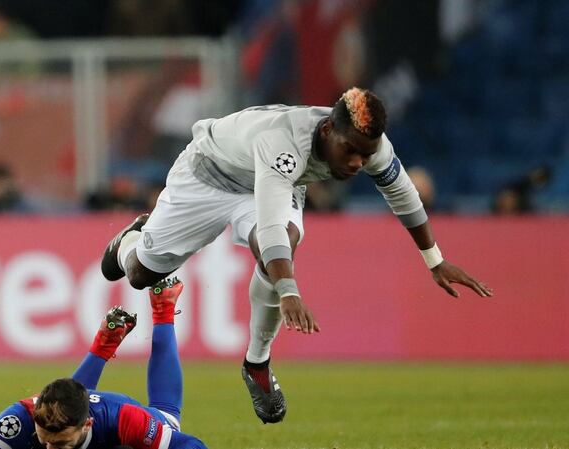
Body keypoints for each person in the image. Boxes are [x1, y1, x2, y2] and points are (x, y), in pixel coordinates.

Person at [99, 87, 494, 424]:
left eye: (365, 155)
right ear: (327, 130)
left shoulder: (369, 143)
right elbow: (269, 224)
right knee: (138, 274)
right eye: (350, 152)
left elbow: (403, 194)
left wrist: (435, 259)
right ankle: (131, 241)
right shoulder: (283, 144)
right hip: (206, 175)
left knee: (280, 246)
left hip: (266, 187)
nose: (358, 163)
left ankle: (257, 364)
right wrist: (289, 291)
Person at [0, 277, 207, 449]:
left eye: (60, 444)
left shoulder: (124, 419)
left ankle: (163, 308)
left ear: (88, 425)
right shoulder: (21, 419)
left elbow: (189, 444)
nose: (50, 448)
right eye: (44, 440)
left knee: (168, 417)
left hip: (123, 430)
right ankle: (104, 345)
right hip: (77, 406)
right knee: (69, 398)